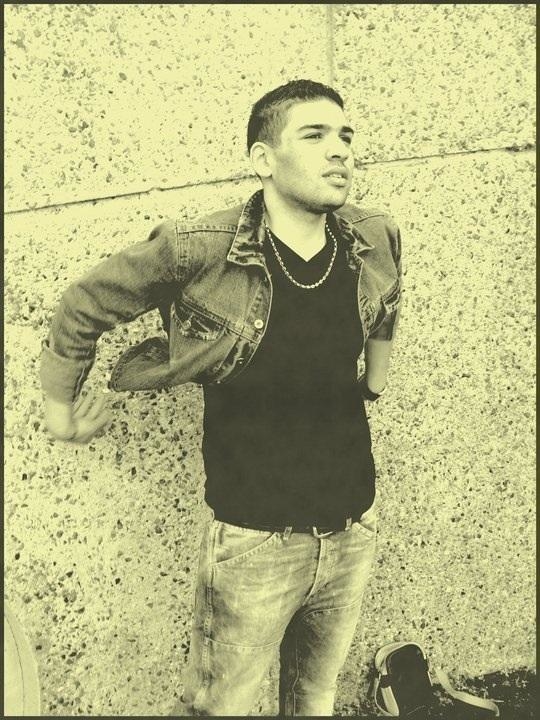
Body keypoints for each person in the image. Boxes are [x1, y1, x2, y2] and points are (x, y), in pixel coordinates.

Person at [41, 79, 403, 716]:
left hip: (352, 525)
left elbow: (388, 301)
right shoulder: (199, 248)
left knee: (314, 698)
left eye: (346, 135)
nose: (340, 150)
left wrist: (376, 377)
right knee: (220, 707)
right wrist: (60, 409)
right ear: (264, 159)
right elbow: (84, 303)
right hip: (255, 539)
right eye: (314, 135)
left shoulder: (371, 234)